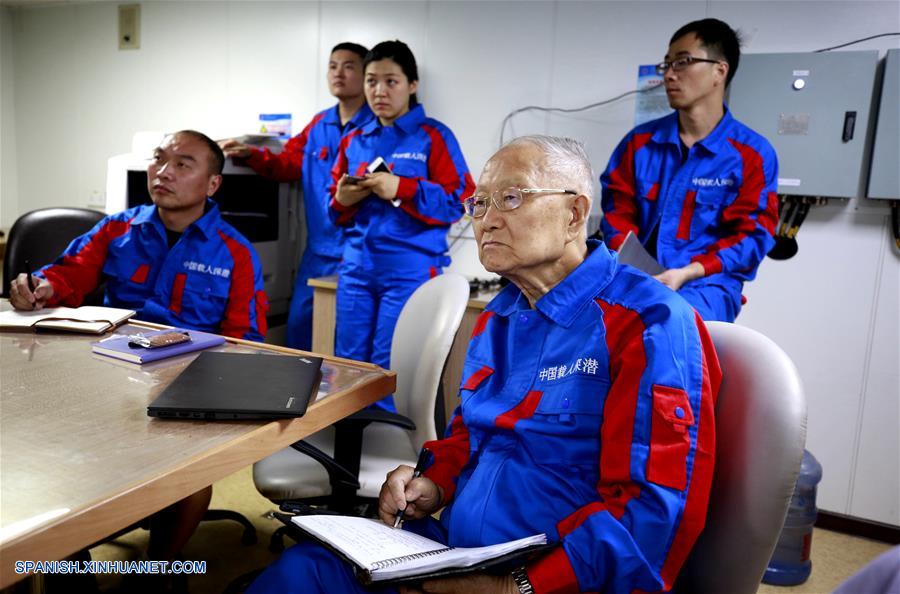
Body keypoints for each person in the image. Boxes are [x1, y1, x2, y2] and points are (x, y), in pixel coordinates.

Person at [248, 135, 720, 594]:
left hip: (553, 577)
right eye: (480, 203)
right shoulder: (498, 317)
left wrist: (513, 587)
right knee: (303, 571)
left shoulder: (648, 323)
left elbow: (653, 512)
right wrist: (432, 481)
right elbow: (469, 436)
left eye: (511, 198)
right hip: (457, 553)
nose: (486, 221)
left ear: (574, 214)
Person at [8, 129, 267, 569]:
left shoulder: (236, 254)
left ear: (212, 184)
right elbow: (71, 273)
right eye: (159, 159)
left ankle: (156, 572)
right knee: (53, 461)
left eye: (183, 164)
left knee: (187, 482)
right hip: (104, 378)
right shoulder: (118, 229)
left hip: (184, 390)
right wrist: (41, 288)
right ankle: (66, 563)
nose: (163, 172)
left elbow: (246, 342)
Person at [600, 18, 779, 322]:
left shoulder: (751, 154)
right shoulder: (639, 144)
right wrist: (634, 268)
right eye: (666, 64)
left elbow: (751, 236)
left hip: (706, 284)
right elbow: (617, 215)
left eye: (683, 62)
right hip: (636, 277)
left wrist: (688, 272)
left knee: (674, 329)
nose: (669, 74)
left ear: (719, 71)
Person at [330, 40, 473, 410]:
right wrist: (343, 201)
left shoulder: (433, 136)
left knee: (390, 366)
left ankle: (385, 459)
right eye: (372, 81)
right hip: (357, 269)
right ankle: (346, 448)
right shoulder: (355, 139)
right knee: (346, 366)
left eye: (391, 81)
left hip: (408, 271)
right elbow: (335, 210)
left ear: (412, 84)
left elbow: (461, 201)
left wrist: (404, 188)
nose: (379, 91)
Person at [219, 42, 373, 351]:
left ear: (366, 73)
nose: (338, 73)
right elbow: (289, 162)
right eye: (332, 66)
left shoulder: (377, 126)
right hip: (318, 251)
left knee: (350, 340)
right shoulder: (320, 124)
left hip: (362, 252)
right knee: (301, 330)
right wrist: (251, 154)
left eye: (349, 66)